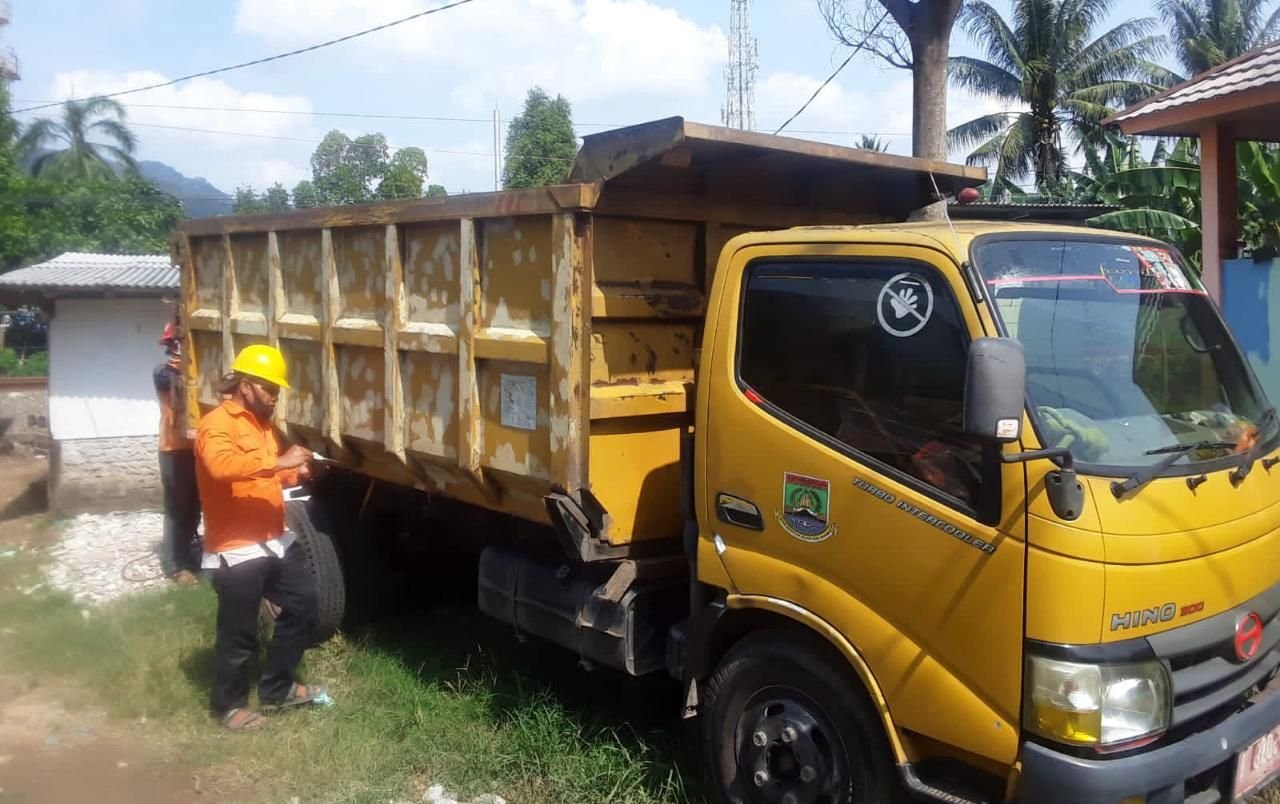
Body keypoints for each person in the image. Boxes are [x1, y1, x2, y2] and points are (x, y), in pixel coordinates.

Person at [194, 344, 321, 731]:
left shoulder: (262, 425)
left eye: (277, 391)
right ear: (246, 386)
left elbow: (264, 474)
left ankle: (277, 688)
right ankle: (228, 706)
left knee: (304, 604)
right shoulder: (216, 423)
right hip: (237, 548)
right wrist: (280, 461)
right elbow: (220, 468)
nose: (275, 397)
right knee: (240, 633)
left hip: (273, 538)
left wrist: (295, 473)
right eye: (270, 390)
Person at [154, 321, 201, 586]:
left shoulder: (195, 372)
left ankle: (188, 556)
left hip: (195, 450)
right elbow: (177, 388)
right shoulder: (163, 373)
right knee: (177, 510)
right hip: (173, 451)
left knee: (194, 507)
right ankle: (175, 565)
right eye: (176, 344)